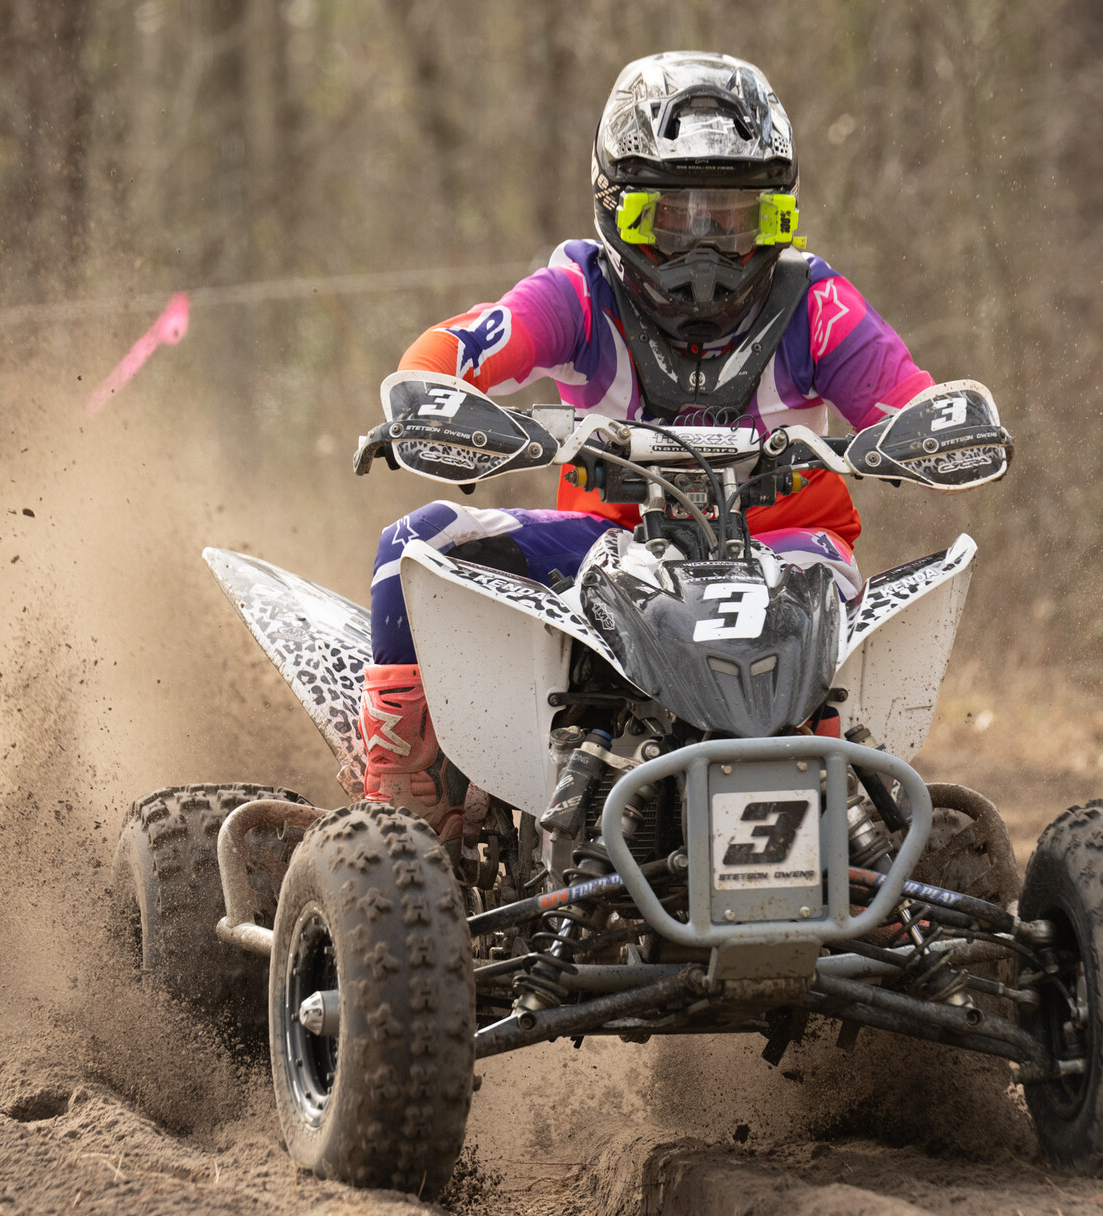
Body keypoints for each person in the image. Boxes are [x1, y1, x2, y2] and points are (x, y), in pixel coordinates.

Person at [362, 51, 936, 836]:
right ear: (617, 208)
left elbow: (909, 398)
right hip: (608, 550)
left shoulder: (816, 305)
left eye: (731, 218)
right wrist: (431, 401)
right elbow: (459, 346)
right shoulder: (579, 293)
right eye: (674, 218)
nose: (704, 252)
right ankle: (405, 796)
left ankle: (841, 820)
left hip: (789, 546)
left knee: (817, 634)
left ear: (775, 215)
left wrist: (941, 428)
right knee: (414, 544)